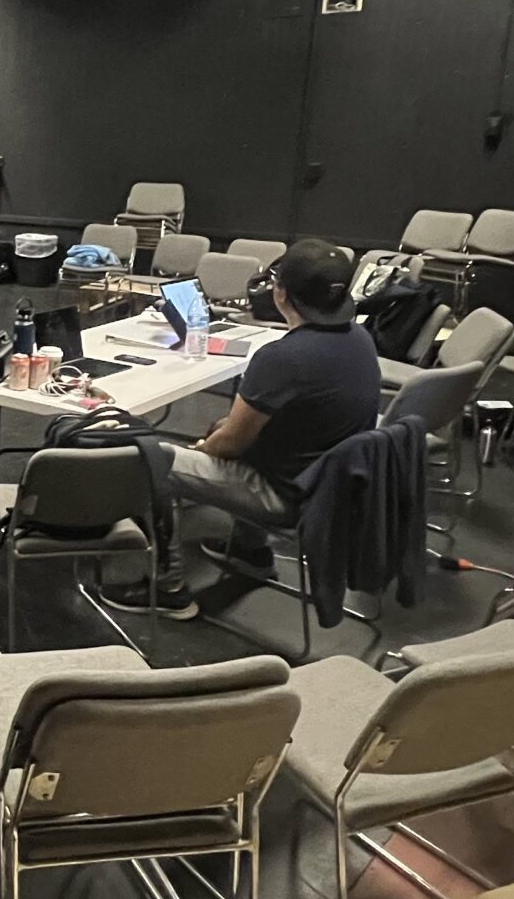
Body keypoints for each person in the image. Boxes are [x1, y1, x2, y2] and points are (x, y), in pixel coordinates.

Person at [112, 239, 382, 621]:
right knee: (230, 430)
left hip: (289, 495)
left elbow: (230, 445)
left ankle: (168, 587)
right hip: (331, 486)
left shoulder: (282, 358)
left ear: (281, 293)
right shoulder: (359, 339)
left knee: (153, 459)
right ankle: (250, 551)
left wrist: (203, 448)